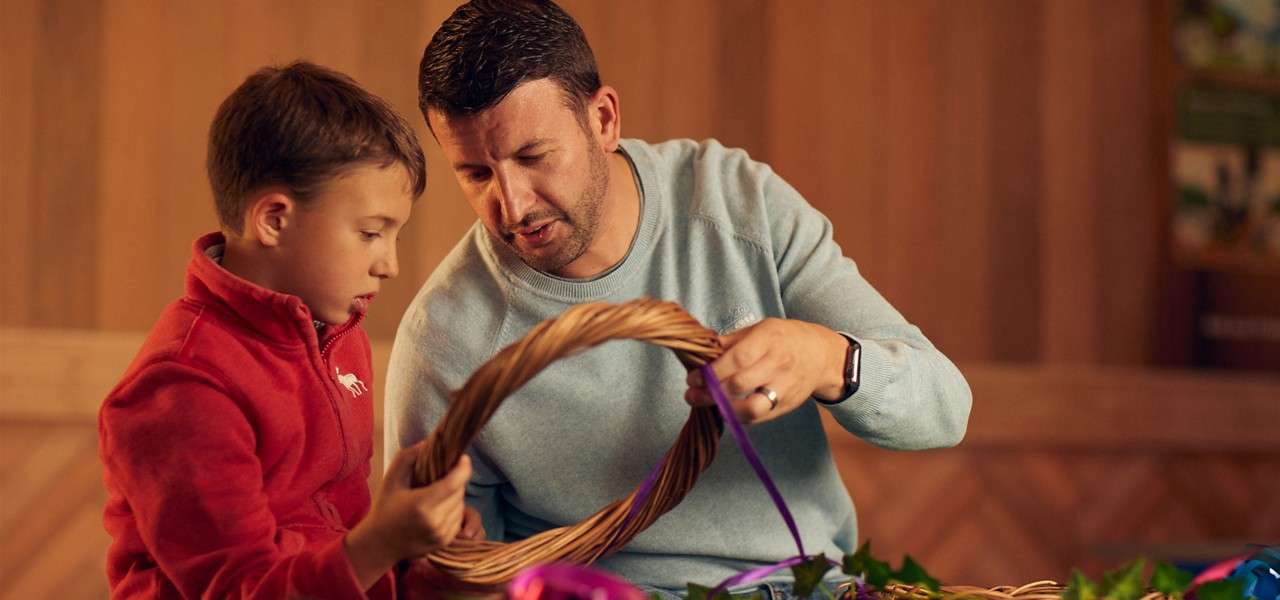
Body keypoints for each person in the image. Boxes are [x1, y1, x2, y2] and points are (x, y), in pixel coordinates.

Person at [386, 0, 972, 597]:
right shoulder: (443, 337)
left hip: (813, 586)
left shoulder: (738, 202)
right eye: (475, 174)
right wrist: (445, 568)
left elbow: (944, 410)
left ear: (604, 120)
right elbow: (443, 576)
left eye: (533, 157)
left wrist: (823, 360)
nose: (512, 206)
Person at [98, 61, 482, 599]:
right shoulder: (182, 387)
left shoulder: (339, 333)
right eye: (371, 233)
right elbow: (241, 589)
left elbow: (332, 532)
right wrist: (383, 543)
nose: (389, 265)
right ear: (274, 219)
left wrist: (417, 555)